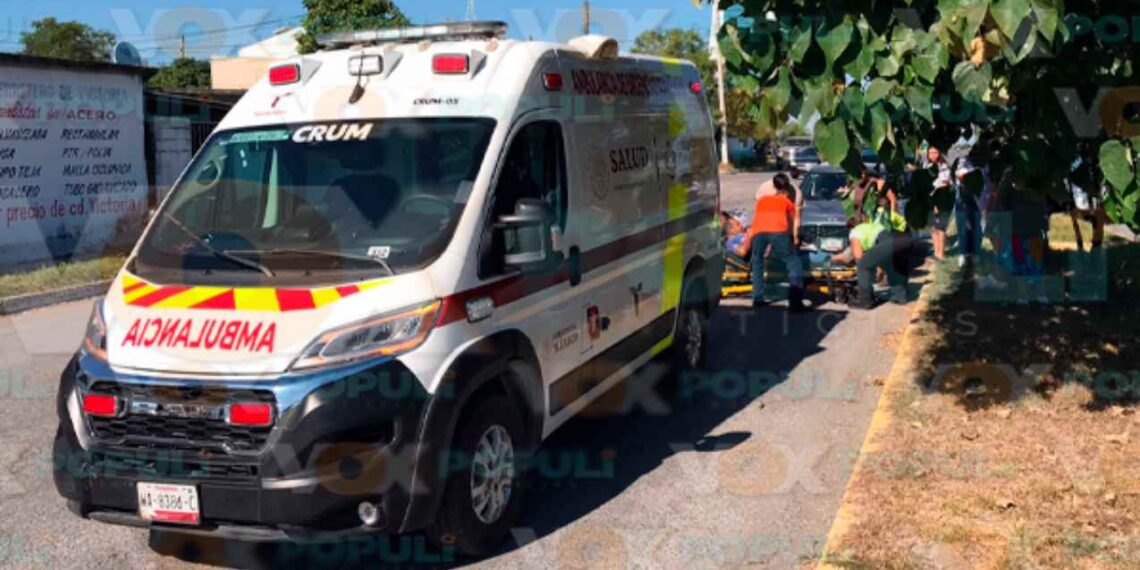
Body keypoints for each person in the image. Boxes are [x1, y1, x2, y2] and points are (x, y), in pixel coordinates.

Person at [737, 174, 807, 312]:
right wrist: (795, 238)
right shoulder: (788, 202)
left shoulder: (763, 200)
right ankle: (795, 302)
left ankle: (757, 298)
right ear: (787, 191)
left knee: (757, 262)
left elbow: (758, 216)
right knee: (794, 262)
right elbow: (795, 223)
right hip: (778, 232)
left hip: (758, 233)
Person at [833, 213, 911, 309]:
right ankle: (899, 297)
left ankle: (864, 300)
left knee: (863, 265)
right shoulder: (873, 226)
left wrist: (831, 258)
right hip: (899, 242)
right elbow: (879, 254)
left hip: (886, 244)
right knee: (892, 266)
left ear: (851, 226)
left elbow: (858, 256)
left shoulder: (855, 232)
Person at [953, 154, 984, 267]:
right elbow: (956, 176)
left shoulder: (975, 163)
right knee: (962, 227)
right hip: (960, 199)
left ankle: (975, 253)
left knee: (976, 227)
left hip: (974, 199)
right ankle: (962, 253)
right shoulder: (956, 162)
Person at [927, 146, 954, 261]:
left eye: (935, 152)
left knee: (941, 226)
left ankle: (941, 253)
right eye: (931, 152)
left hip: (943, 198)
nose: (933, 155)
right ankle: (936, 251)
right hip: (930, 198)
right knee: (933, 226)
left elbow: (945, 182)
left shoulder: (944, 167)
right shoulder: (927, 167)